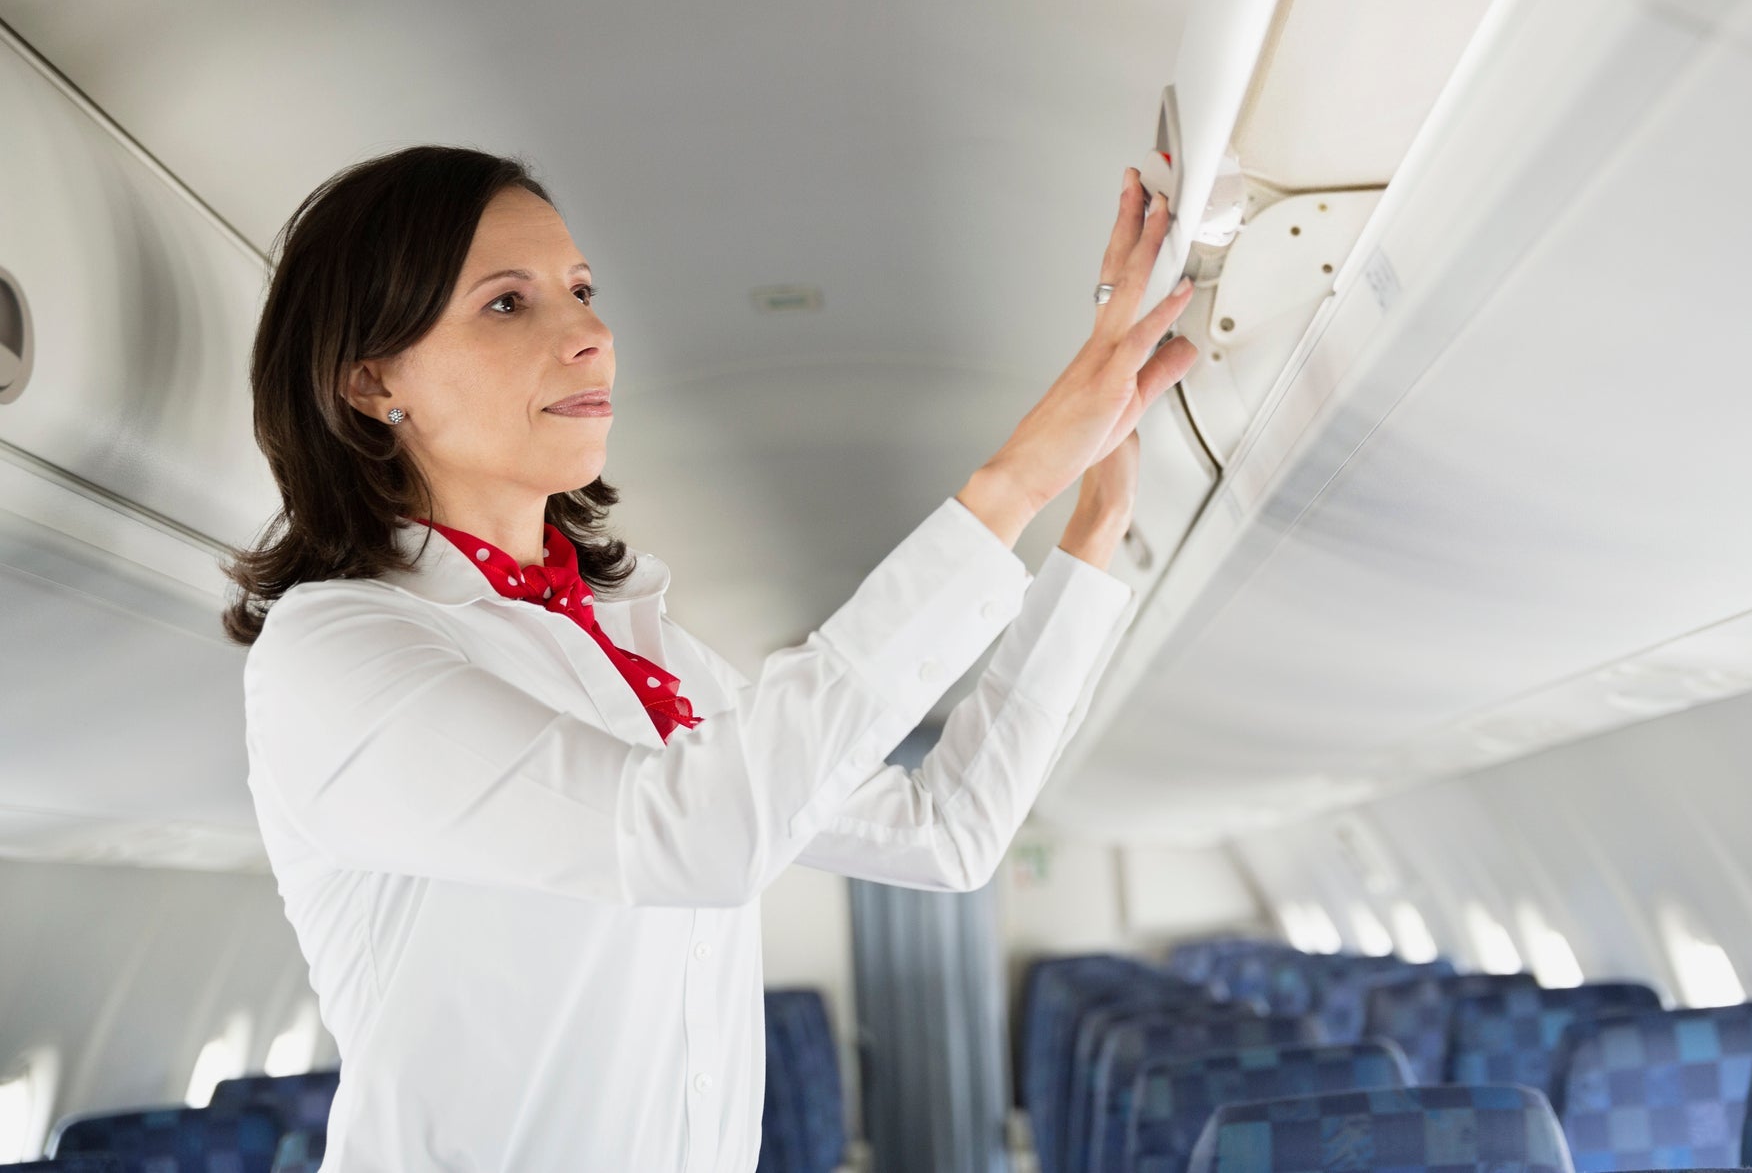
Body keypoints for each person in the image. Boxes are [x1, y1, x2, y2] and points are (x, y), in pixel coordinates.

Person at [223, 145, 1198, 1171]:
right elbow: (686, 839)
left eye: (584, 291)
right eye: (508, 304)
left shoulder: (637, 647)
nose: (592, 336)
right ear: (373, 382)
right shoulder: (336, 655)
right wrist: (1017, 476)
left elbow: (941, 830)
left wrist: (1096, 524)